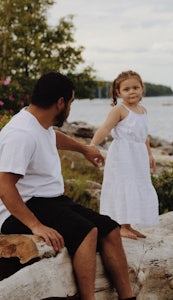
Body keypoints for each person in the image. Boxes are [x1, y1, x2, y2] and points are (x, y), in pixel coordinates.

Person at [0, 72, 138, 300]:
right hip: (21, 208)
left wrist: (84, 149)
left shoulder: (37, 121)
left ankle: (128, 298)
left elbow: (52, 136)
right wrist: (35, 226)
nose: (71, 109)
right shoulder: (20, 134)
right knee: (86, 231)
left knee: (111, 229)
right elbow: (4, 187)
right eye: (71, 102)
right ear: (60, 103)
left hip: (50, 201)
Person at [90, 70, 159, 239]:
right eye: (126, 89)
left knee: (136, 185)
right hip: (122, 155)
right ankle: (121, 226)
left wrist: (150, 155)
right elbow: (105, 128)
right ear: (118, 92)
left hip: (138, 156)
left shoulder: (143, 110)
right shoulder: (119, 109)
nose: (132, 91)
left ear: (142, 88)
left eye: (135, 87)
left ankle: (129, 225)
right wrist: (92, 145)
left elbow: (144, 136)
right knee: (123, 184)